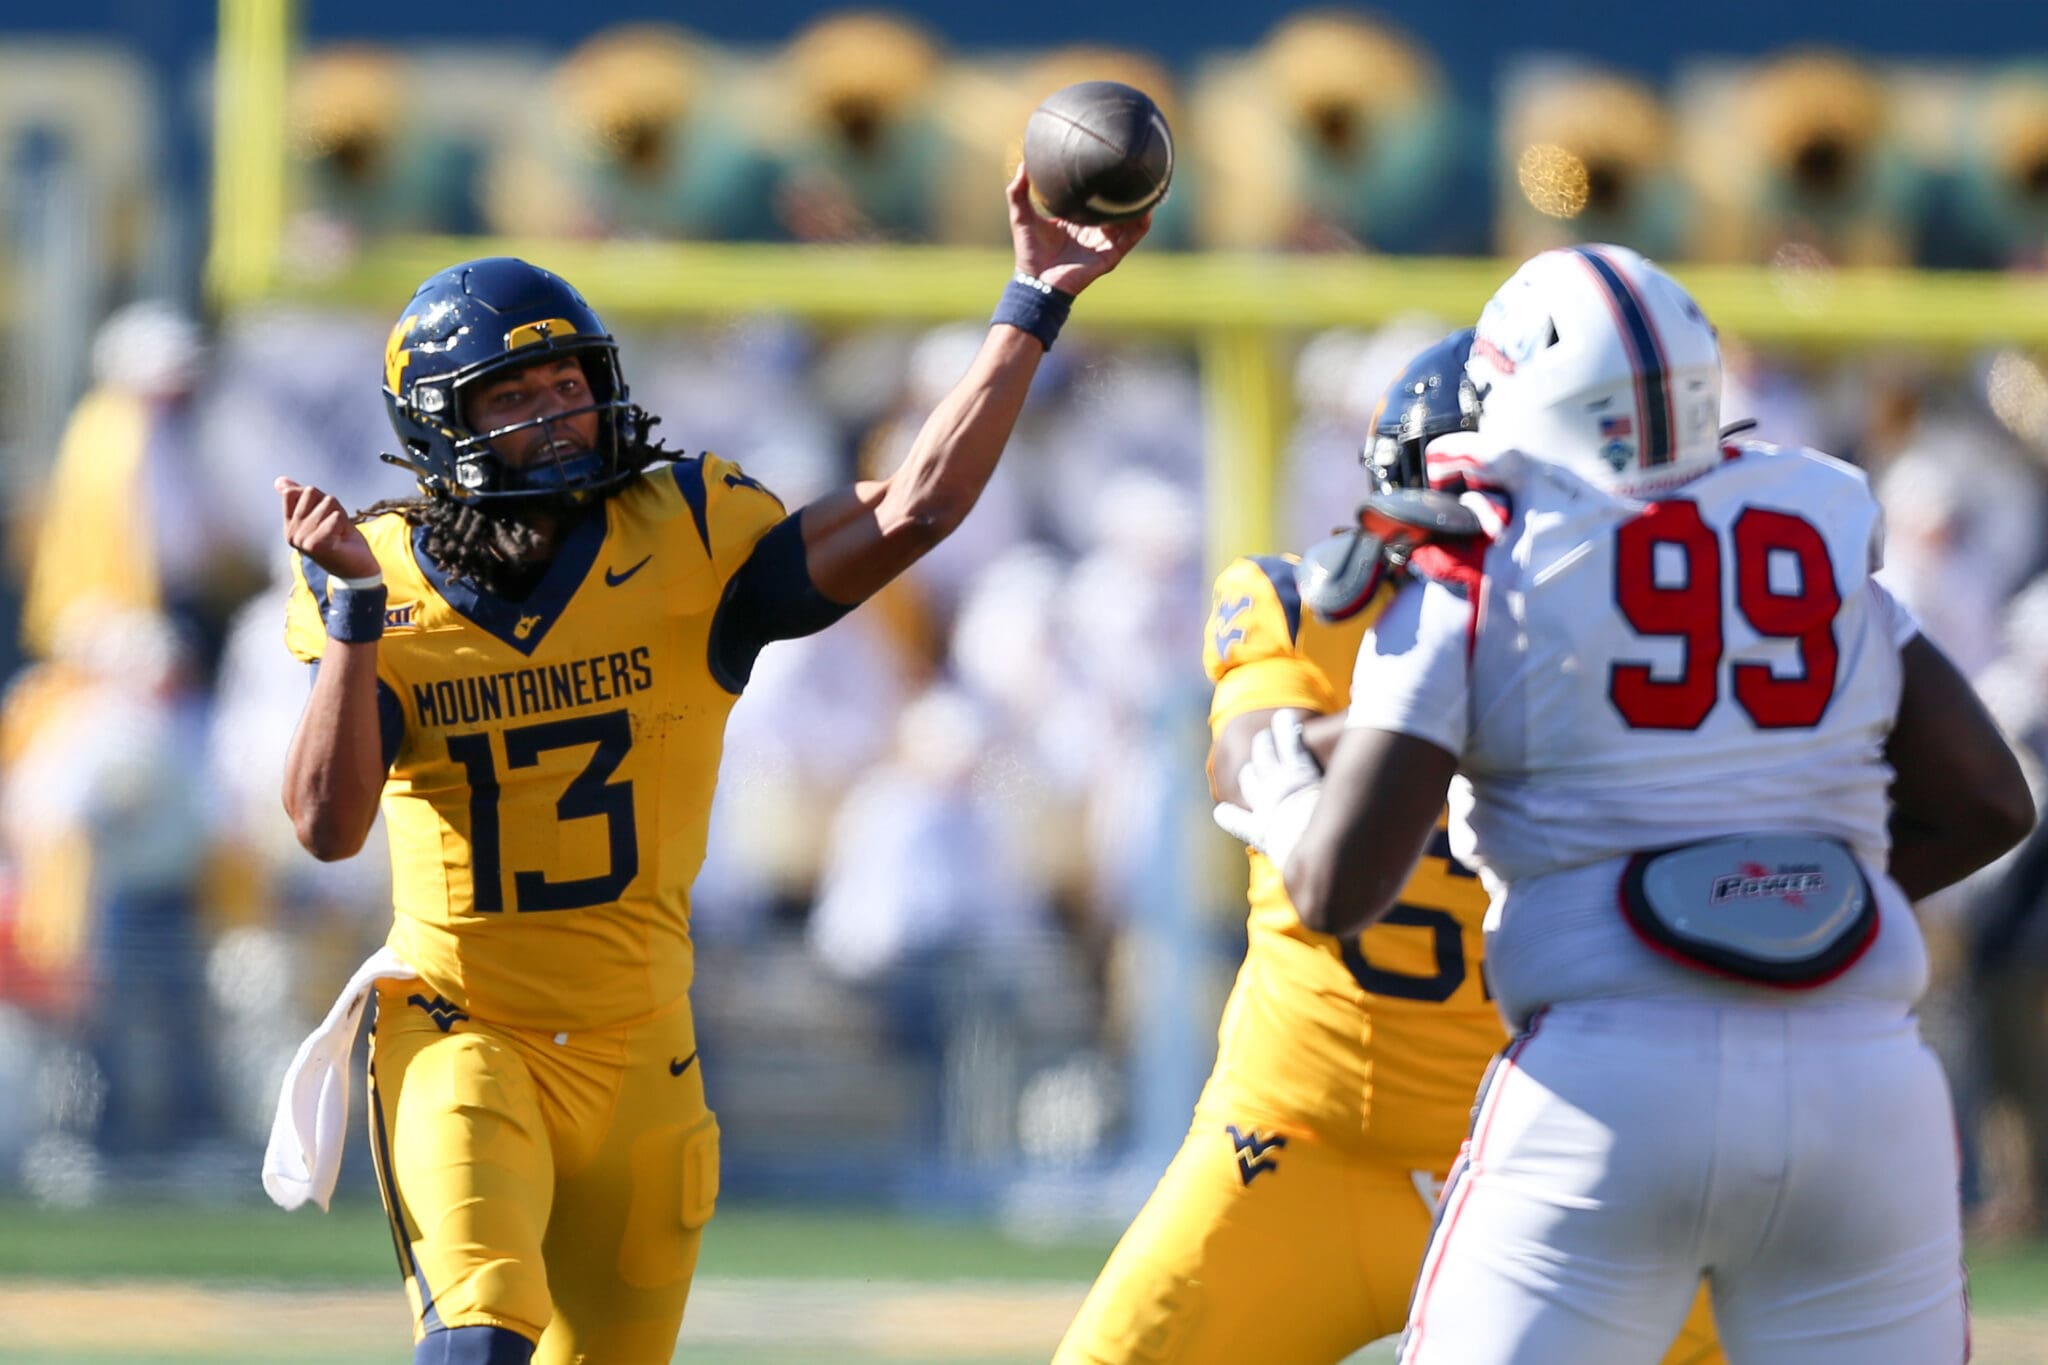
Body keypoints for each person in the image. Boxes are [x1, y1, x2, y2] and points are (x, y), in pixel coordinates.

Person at [262, 171, 1148, 1365]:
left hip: (643, 1056)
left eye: (567, 382)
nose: (555, 414)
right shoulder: (381, 583)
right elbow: (325, 827)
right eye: (510, 395)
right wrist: (359, 621)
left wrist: (1030, 304)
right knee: (475, 1343)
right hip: (464, 1032)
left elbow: (916, 508)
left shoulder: (683, 535)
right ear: (438, 428)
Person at [1218, 243, 2034, 1362]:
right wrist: (1777, 894)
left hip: (1609, 1079)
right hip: (1861, 1074)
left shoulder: (1479, 551)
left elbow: (1335, 889)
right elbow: (1988, 800)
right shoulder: (1808, 524)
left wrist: (1281, 800)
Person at [1055, 333, 1721, 1362]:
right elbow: (1243, 759)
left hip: (1550, 1159)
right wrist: (1455, 715)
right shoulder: (1296, 606)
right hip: (1295, 1141)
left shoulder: (1647, 642)